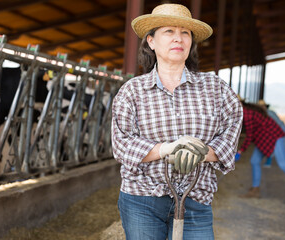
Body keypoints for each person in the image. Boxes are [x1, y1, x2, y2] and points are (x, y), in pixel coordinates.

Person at [111, 3, 243, 239]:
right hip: (142, 199)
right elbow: (121, 145)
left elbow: (231, 133)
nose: (178, 39)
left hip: (195, 198)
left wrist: (201, 152)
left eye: (185, 33)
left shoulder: (216, 88)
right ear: (151, 41)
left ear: (191, 42)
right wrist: (167, 149)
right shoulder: (132, 91)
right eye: (169, 32)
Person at [236, 100, 285, 207]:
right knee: (254, 161)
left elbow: (249, 135)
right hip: (263, 139)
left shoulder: (247, 113)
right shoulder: (246, 111)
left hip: (274, 137)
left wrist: (240, 150)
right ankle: (255, 190)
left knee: (284, 165)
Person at [258, 99, 285, 168]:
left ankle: (269, 161)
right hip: (284, 127)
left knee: (273, 145)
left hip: (278, 130)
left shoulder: (265, 114)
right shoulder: (271, 111)